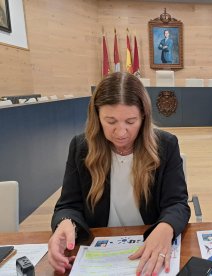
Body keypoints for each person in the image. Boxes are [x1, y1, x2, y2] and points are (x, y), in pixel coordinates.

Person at [47, 72, 190, 275]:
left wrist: (166, 227)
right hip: (101, 255)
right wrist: (64, 223)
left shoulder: (166, 145)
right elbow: (68, 205)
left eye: (130, 122)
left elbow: (177, 204)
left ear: (143, 117)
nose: (121, 132)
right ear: (97, 116)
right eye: (111, 121)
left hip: (149, 248)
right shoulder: (81, 147)